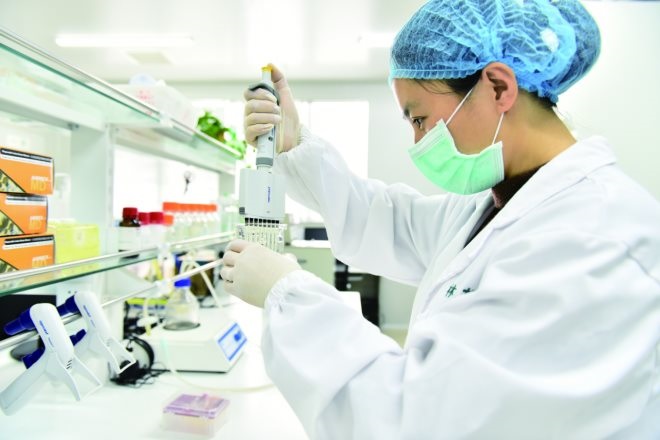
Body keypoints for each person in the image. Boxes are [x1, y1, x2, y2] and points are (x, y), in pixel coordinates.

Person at [221, 0, 660, 438]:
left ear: (498, 88)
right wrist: (294, 145)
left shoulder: (591, 238)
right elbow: (387, 220)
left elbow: (415, 420)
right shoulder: (503, 202)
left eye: (420, 118)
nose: (418, 142)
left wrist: (288, 294)